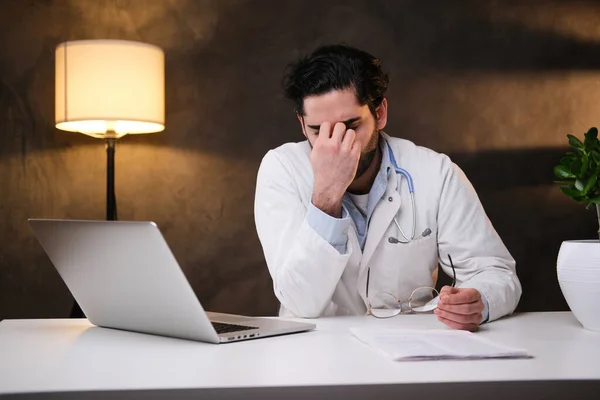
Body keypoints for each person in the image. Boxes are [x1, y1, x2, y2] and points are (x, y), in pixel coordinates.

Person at [253, 44, 521, 331]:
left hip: (409, 352)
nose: (336, 142)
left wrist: (479, 301)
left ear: (379, 113)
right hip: (317, 355)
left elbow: (496, 272)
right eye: (318, 131)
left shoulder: (435, 172)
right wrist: (326, 197)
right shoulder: (281, 169)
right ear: (302, 124)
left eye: (350, 125)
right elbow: (300, 302)